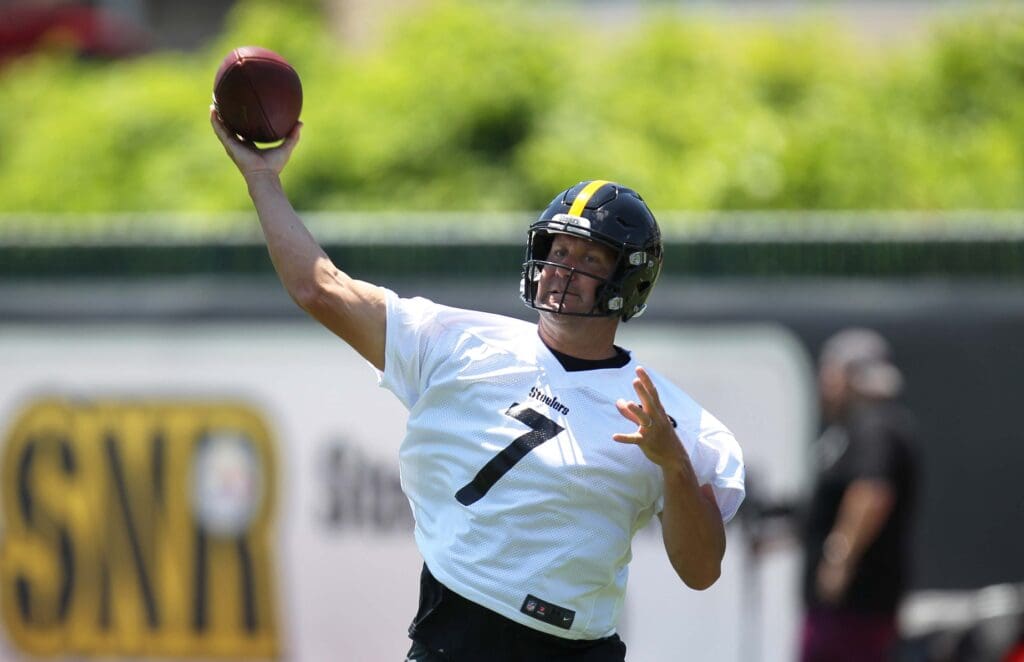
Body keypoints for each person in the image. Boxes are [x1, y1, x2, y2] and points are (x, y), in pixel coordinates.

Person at [210, 108, 745, 661]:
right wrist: (262, 180)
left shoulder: (665, 415)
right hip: (455, 635)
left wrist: (675, 465)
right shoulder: (459, 342)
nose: (564, 270)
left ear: (627, 280)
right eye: (559, 251)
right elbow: (318, 288)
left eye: (589, 259)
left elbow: (701, 571)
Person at [800, 328, 919, 662]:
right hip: (846, 607)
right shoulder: (853, 430)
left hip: (857, 606)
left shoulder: (875, 426)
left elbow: (872, 491)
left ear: (851, 375)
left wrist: (839, 558)